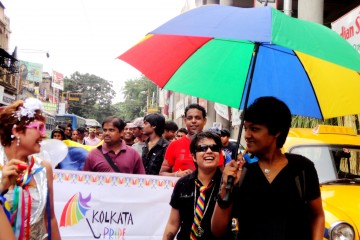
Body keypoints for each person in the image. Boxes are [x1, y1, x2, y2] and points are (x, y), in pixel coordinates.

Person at [212, 96, 325, 240]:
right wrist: (225, 188)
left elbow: (318, 215)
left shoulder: (302, 169)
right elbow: (217, 230)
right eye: (246, 128)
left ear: (277, 131)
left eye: (255, 129)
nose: (247, 135)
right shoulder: (241, 173)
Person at [0, 98, 61, 239]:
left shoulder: (44, 168)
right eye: (39, 128)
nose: (44, 134)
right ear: (16, 131)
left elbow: (50, 219)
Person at [163, 131, 229, 240]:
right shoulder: (183, 183)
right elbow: (173, 224)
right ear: (193, 157)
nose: (209, 151)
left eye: (214, 148)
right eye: (203, 148)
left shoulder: (228, 185)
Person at [160, 104, 224, 177]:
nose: (193, 121)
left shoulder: (213, 146)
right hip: (181, 187)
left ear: (204, 121)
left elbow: (222, 175)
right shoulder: (174, 145)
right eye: (190, 118)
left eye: (197, 118)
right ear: (185, 120)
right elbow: (162, 173)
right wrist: (177, 174)